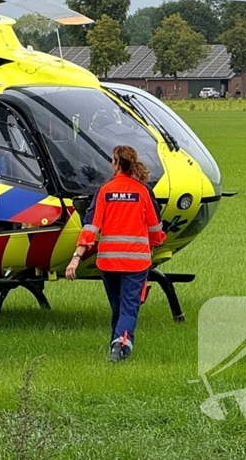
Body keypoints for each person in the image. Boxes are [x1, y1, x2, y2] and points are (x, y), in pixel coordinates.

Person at [65, 145, 165, 362]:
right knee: (129, 308)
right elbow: (155, 229)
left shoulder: (104, 191)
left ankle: (116, 346)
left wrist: (76, 258)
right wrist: (155, 245)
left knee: (118, 307)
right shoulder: (143, 191)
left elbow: (90, 228)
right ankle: (120, 346)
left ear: (117, 164)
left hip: (108, 263)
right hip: (136, 263)